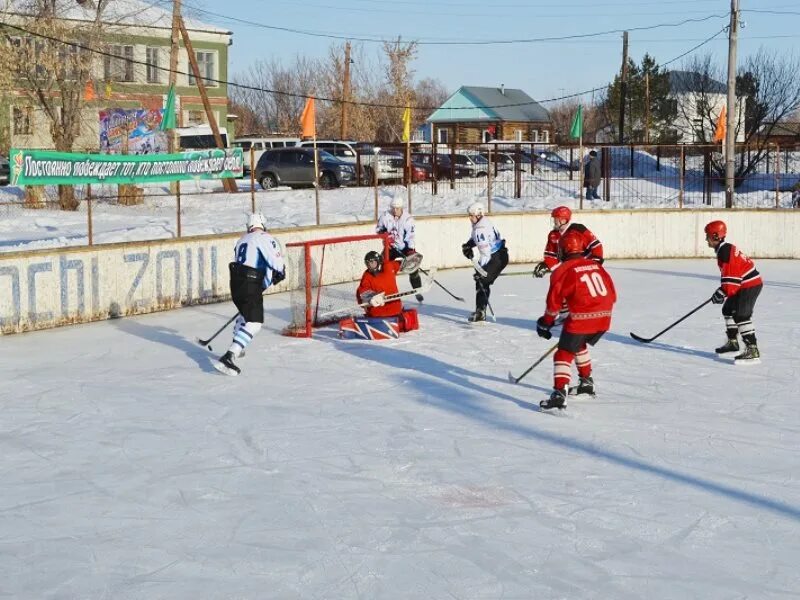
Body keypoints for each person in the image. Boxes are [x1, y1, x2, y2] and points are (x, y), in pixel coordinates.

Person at [536, 229, 617, 410]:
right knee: (578, 344)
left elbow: (553, 305)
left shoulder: (562, 270)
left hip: (582, 318)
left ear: (563, 250)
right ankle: (586, 383)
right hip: (605, 317)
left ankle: (559, 394)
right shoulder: (595, 265)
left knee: (563, 353)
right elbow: (613, 294)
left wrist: (545, 323)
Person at [214, 213, 286, 376]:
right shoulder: (264, 237)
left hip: (236, 283)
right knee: (254, 323)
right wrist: (280, 271)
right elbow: (275, 259)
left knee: (244, 315)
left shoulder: (242, 240)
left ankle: (237, 348)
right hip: (249, 282)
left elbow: (250, 260)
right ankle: (229, 355)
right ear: (262, 225)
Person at [705, 220, 763, 363]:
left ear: (715, 236)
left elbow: (731, 282)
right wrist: (723, 291)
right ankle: (733, 343)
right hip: (742, 284)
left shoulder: (725, 251)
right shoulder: (724, 249)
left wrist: (723, 291)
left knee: (741, 315)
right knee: (728, 309)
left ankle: (752, 349)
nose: (706, 239)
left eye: (708, 236)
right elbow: (731, 278)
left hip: (750, 285)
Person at [461, 202, 509, 322]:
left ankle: (480, 312)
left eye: (472, 215)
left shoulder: (479, 228)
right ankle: (480, 311)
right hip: (501, 255)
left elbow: (485, 254)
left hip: (495, 258)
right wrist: (468, 245)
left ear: (479, 215)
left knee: (481, 281)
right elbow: (479, 239)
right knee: (481, 281)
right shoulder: (483, 222)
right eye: (470, 215)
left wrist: (481, 270)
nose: (470, 218)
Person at [533, 205, 603, 278]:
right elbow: (552, 257)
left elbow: (596, 246)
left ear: (564, 220)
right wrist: (545, 265)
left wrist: (595, 263)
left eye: (556, 219)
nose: (554, 221)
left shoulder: (579, 229)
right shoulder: (553, 235)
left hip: (583, 269)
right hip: (567, 270)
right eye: (554, 219)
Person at [376, 197, 424, 301]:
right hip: (391, 247)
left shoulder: (408, 219)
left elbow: (410, 236)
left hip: (405, 247)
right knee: (382, 263)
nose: (395, 210)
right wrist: (385, 236)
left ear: (401, 207)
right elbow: (378, 229)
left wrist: (411, 250)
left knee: (413, 268)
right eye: (393, 208)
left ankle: (417, 290)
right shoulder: (385, 216)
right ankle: (382, 290)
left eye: (397, 208)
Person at [356, 250, 403, 318]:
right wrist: (371, 298)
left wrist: (408, 261)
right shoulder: (367, 276)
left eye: (372, 262)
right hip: (379, 313)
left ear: (378, 262)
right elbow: (363, 290)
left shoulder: (388, 267)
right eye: (367, 263)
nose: (370, 265)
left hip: (395, 309)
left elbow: (403, 264)